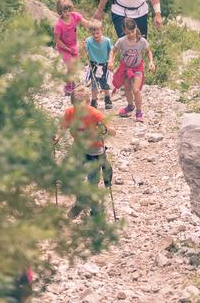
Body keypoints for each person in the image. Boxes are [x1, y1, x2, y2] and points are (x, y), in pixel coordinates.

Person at [53, 85, 115, 219]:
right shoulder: (70, 112)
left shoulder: (95, 113)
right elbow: (62, 127)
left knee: (92, 181)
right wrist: (56, 137)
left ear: (88, 103)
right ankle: (80, 201)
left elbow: (112, 131)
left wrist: (105, 129)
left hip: (95, 151)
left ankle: (95, 210)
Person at [108, 18, 155, 122]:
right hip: (126, 68)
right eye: (128, 32)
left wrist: (151, 62)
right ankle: (130, 106)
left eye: (132, 31)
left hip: (137, 68)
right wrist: (110, 60)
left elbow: (148, 51)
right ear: (124, 31)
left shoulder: (141, 41)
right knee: (127, 89)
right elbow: (113, 51)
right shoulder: (121, 41)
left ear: (136, 28)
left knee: (136, 90)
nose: (131, 34)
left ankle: (139, 112)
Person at [54, 0, 97, 96]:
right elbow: (57, 40)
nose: (67, 13)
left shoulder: (75, 16)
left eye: (69, 10)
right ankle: (67, 86)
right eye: (64, 11)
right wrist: (67, 49)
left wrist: (93, 26)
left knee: (74, 65)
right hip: (63, 47)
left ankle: (72, 82)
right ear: (60, 12)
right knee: (70, 65)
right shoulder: (59, 25)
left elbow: (85, 23)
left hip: (73, 45)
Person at [84, 21, 113, 110]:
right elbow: (83, 53)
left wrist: (110, 61)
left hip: (104, 64)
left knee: (105, 84)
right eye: (93, 33)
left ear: (102, 31)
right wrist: (83, 48)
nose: (95, 35)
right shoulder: (88, 41)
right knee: (94, 84)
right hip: (93, 65)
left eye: (97, 33)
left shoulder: (107, 41)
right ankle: (94, 100)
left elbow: (111, 51)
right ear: (90, 33)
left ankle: (107, 98)